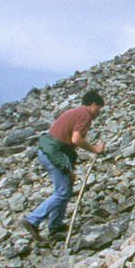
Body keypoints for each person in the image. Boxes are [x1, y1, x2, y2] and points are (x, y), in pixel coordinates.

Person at [23, 90, 105, 239]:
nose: (99, 112)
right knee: (62, 192)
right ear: (93, 105)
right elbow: (75, 139)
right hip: (53, 154)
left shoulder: (74, 112)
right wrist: (95, 149)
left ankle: (55, 226)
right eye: (99, 108)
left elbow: (66, 142)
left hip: (50, 152)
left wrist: (69, 170)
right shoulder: (85, 116)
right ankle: (33, 220)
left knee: (65, 188)